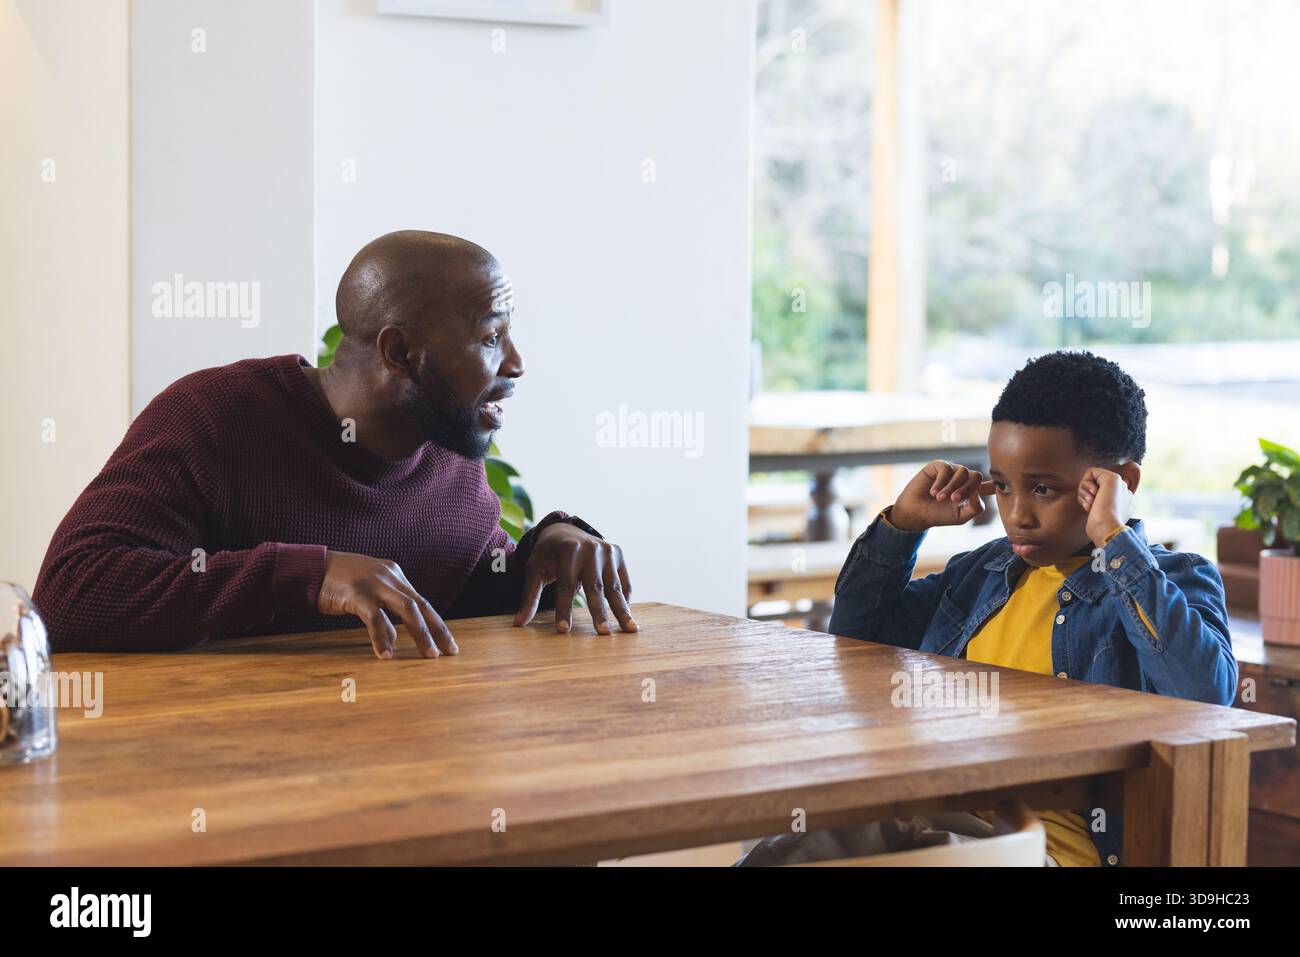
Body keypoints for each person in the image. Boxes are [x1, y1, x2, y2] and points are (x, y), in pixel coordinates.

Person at [33, 230, 637, 659]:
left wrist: (545, 550)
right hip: (223, 786)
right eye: (490, 335)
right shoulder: (213, 417)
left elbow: (451, 584)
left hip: (398, 777)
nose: (516, 361)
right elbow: (71, 593)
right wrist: (305, 573)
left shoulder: (446, 446)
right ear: (399, 353)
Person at [740, 350, 1235, 867]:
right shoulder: (981, 574)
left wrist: (1114, 539)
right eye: (1001, 485)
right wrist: (902, 527)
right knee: (798, 848)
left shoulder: (1175, 580)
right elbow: (855, 640)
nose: (1017, 514)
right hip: (935, 824)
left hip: (1041, 854)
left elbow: (1204, 693)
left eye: (1043, 489)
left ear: (1122, 483)